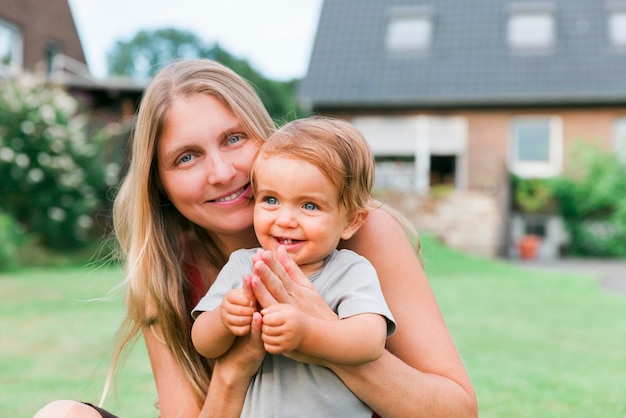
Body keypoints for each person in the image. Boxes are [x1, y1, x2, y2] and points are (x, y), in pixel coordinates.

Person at [34, 58, 477, 418]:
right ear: (160, 184)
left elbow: (457, 411)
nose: (222, 173)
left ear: (268, 138)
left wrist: (319, 337)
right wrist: (233, 369)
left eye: (234, 138)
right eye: (186, 157)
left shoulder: (361, 234)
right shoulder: (168, 270)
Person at [191, 117, 397, 417]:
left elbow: (370, 340)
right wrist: (224, 319)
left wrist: (307, 334)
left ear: (351, 221)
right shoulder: (244, 265)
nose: (285, 219)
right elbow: (203, 343)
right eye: (271, 200)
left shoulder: (350, 271)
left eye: (309, 206)